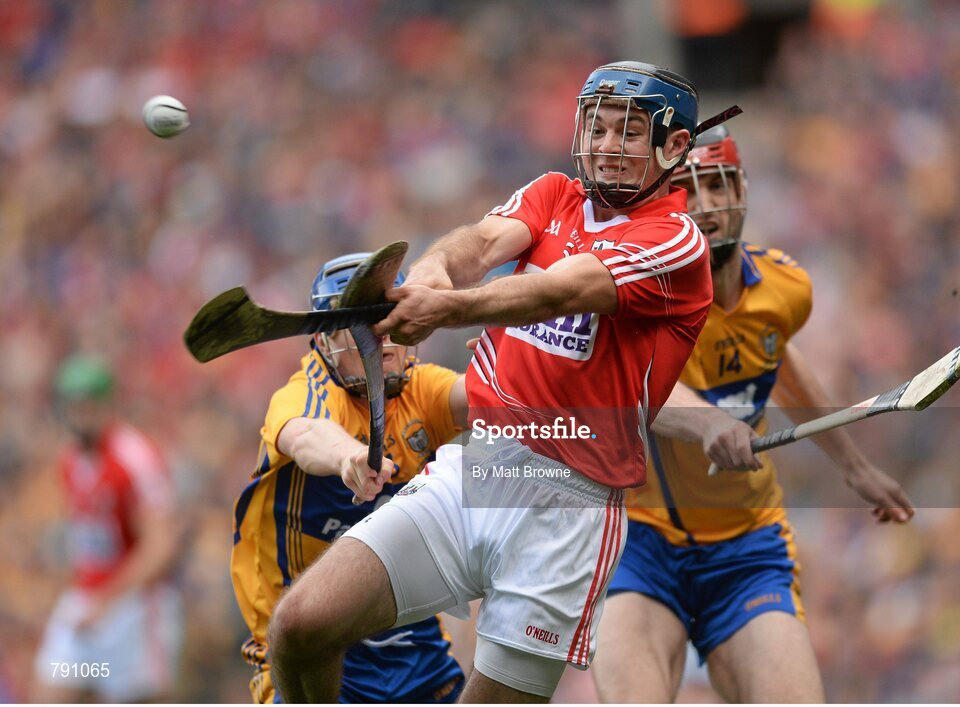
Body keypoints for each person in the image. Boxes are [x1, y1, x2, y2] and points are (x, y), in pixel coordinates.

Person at [269, 61, 719, 703]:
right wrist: (429, 273)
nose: (607, 146)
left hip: (570, 505)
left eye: (629, 131)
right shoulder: (557, 193)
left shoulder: (677, 243)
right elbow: (477, 244)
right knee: (301, 626)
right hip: (476, 468)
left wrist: (448, 309)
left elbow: (559, 291)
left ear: (675, 148)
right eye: (599, 126)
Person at [593, 126, 917, 703]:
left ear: (741, 186)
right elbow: (634, 391)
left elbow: (779, 359)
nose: (709, 206)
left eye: (719, 185)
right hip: (636, 544)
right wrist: (711, 424)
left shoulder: (786, 286)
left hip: (747, 549)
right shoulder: (635, 295)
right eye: (689, 190)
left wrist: (854, 465)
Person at [230, 253, 469, 703]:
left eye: (390, 323)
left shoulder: (421, 388)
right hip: (311, 668)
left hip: (419, 663)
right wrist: (349, 457)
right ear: (325, 341)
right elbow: (304, 433)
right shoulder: (306, 391)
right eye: (366, 327)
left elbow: (476, 399)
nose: (387, 342)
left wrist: (508, 381)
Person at [32, 354, 184, 703]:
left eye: (88, 405)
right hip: (87, 603)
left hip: (135, 610)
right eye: (73, 406)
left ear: (107, 403)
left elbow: (161, 544)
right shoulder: (71, 459)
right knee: (52, 688)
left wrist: (108, 600)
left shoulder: (133, 456)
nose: (80, 415)